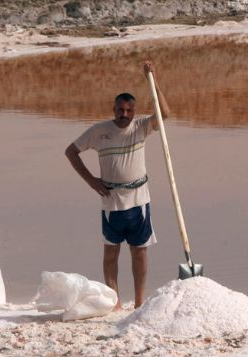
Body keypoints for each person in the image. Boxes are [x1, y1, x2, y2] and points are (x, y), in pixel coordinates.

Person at [65, 61, 171, 310]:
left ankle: (140, 303)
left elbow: (165, 113)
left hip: (139, 201)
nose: (124, 115)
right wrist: (91, 181)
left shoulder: (141, 127)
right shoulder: (99, 131)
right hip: (111, 201)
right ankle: (115, 302)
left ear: (134, 111)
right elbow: (71, 152)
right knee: (111, 253)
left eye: (128, 110)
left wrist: (152, 79)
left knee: (139, 252)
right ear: (113, 109)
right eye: (120, 110)